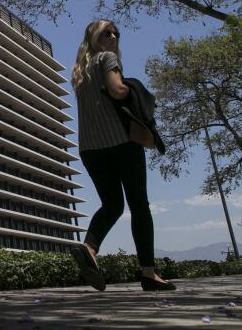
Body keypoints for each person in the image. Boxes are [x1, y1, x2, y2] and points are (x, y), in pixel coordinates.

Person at [69, 19, 175, 292]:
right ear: (94, 37)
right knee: (139, 205)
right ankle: (148, 274)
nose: (114, 36)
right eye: (107, 33)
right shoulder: (106, 58)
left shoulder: (78, 70)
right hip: (121, 143)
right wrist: (136, 90)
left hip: (90, 149)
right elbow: (117, 90)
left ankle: (89, 249)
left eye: (116, 33)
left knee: (112, 204)